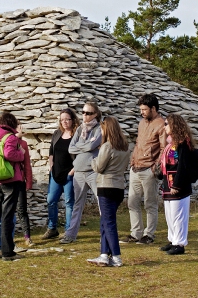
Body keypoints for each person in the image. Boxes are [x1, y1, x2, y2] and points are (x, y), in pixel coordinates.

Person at [0, 112, 28, 261]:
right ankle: (8, 252)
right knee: (7, 216)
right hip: (11, 179)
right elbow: (9, 154)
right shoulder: (10, 137)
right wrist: (20, 153)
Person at [87, 117, 131, 267]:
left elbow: (99, 167)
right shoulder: (125, 147)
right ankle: (104, 254)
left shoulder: (107, 146)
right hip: (118, 187)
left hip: (106, 186)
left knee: (109, 222)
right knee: (105, 221)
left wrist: (93, 159)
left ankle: (116, 256)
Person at [59, 101, 102, 244]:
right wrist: (86, 147)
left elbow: (92, 145)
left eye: (88, 113)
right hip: (79, 172)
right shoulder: (79, 130)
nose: (85, 115)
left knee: (101, 202)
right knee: (77, 204)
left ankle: (106, 233)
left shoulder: (99, 129)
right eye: (83, 112)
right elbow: (71, 149)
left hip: (93, 171)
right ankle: (70, 235)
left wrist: (82, 146)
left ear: (95, 114)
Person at [125, 93, 165, 245]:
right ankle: (136, 233)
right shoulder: (142, 122)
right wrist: (133, 160)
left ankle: (149, 234)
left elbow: (163, 148)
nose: (141, 112)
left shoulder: (161, 124)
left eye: (144, 109)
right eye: (141, 109)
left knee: (150, 203)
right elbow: (138, 143)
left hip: (149, 170)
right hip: (135, 168)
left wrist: (155, 167)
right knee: (132, 202)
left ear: (153, 108)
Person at [159, 114, 198, 256]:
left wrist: (177, 184)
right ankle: (173, 240)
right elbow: (166, 164)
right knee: (170, 215)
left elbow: (183, 165)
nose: (164, 127)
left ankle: (180, 243)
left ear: (174, 125)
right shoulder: (170, 144)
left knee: (179, 215)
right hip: (168, 184)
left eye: (166, 124)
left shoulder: (183, 144)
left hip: (178, 186)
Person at [42, 108, 77, 240]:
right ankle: (52, 229)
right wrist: (51, 165)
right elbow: (51, 151)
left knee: (69, 202)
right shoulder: (57, 133)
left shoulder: (77, 135)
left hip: (70, 175)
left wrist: (72, 172)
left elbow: (81, 156)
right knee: (51, 201)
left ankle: (69, 231)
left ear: (72, 120)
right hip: (55, 174)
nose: (65, 122)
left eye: (67, 119)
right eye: (62, 120)